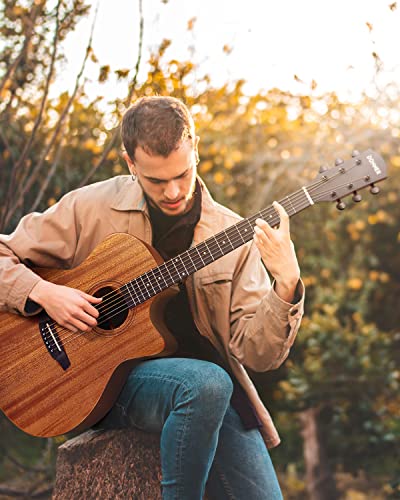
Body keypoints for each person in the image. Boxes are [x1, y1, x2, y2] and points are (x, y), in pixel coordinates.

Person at [0, 96, 304, 499]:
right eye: (156, 181)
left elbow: (259, 354)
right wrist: (43, 292)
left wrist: (286, 283)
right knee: (205, 384)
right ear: (130, 163)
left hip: (215, 393)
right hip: (104, 381)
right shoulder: (89, 207)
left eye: (182, 173)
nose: (174, 191)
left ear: (195, 148)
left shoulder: (234, 234)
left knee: (216, 393)